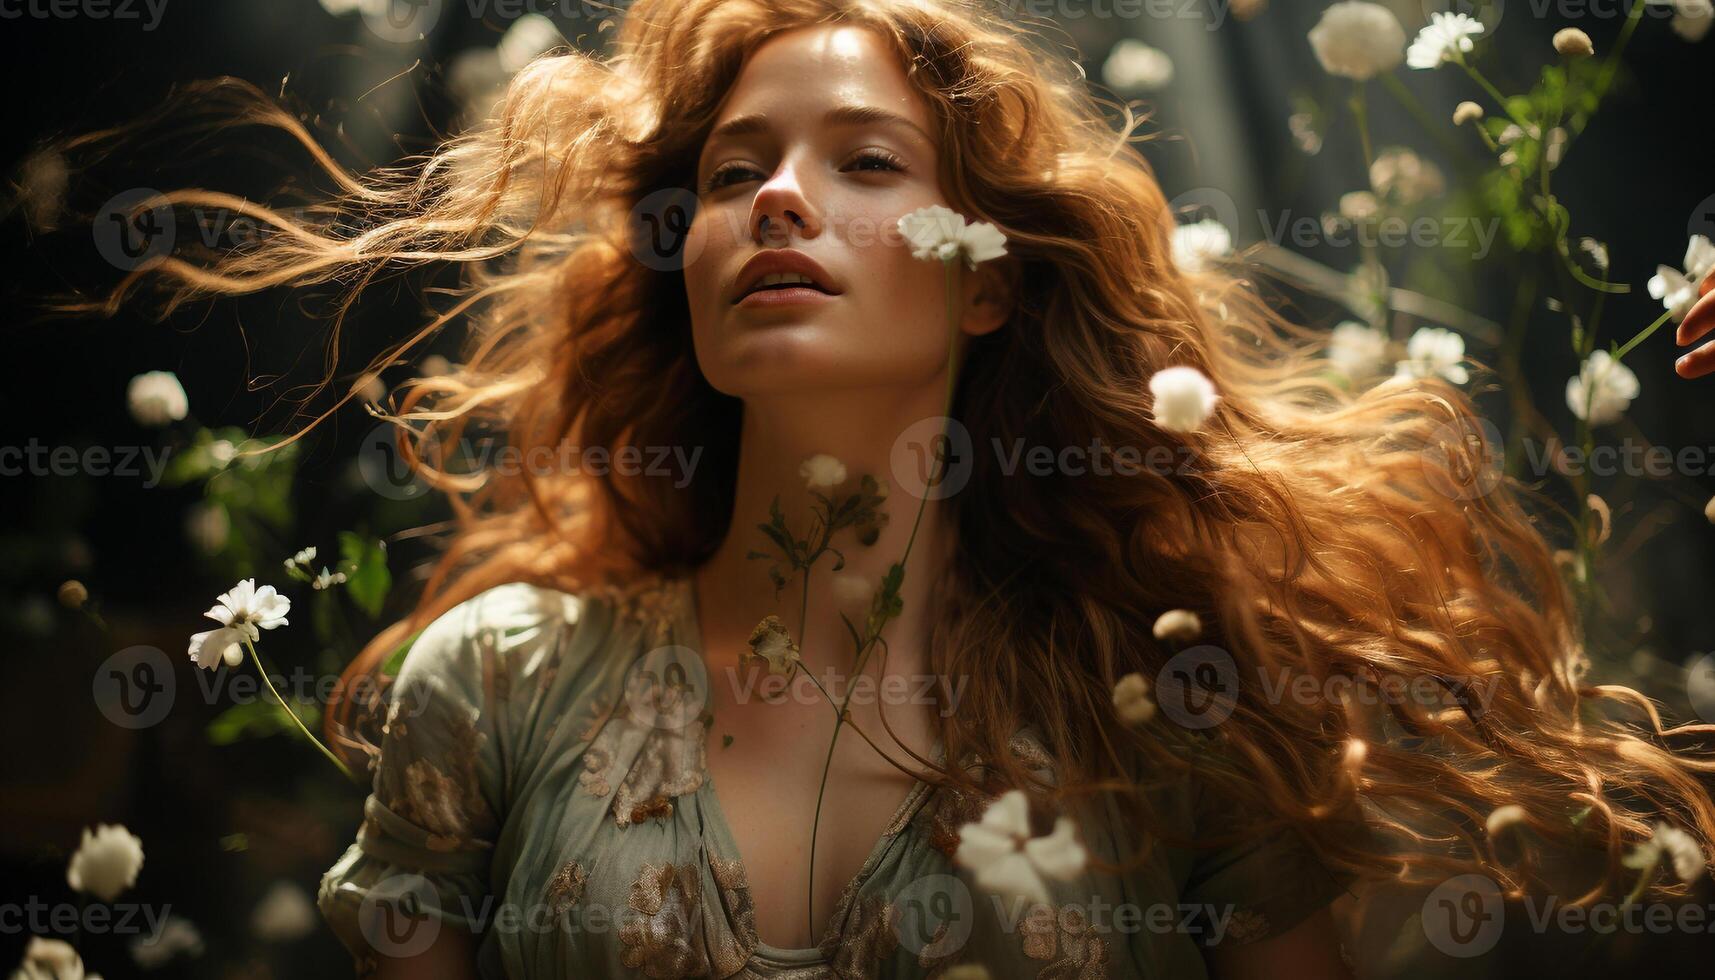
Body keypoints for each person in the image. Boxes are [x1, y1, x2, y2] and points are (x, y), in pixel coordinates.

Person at [67, 1, 1715, 977]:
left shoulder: (1163, 712)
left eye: (865, 162)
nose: (779, 199)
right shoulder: (493, 682)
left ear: (987, 280)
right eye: (729, 174)